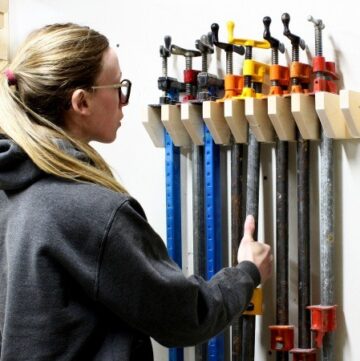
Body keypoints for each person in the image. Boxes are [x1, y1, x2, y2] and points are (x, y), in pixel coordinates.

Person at [0, 23, 272, 361]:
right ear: (81, 102)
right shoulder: (93, 212)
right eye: (118, 87)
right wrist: (247, 270)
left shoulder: (10, 189)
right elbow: (186, 317)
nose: (124, 101)